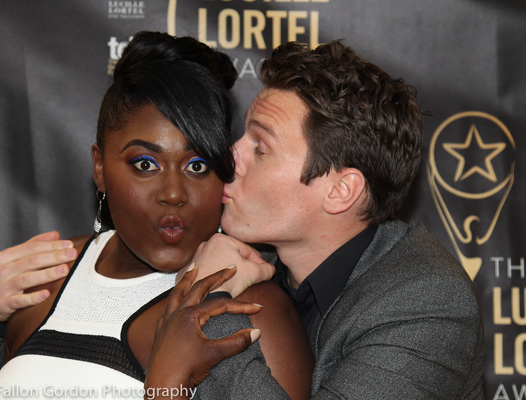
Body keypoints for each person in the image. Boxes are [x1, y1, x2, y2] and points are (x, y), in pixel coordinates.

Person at [0, 31, 313, 400]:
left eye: (197, 165)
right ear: (100, 167)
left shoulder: (250, 309)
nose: (172, 193)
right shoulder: (43, 278)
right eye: (145, 163)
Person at [144, 40, 486, 399]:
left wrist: (214, 298)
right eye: (242, 136)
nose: (230, 157)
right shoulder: (254, 260)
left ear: (340, 191)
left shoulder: (426, 303)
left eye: (261, 148)